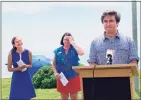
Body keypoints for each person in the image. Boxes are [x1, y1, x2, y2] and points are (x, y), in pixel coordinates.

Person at [52, 32, 84, 100]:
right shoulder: (57, 50)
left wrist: (73, 43)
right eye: (65, 39)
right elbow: (54, 63)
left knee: (74, 97)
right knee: (64, 97)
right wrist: (55, 73)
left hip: (74, 75)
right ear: (62, 40)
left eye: (69, 39)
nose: (67, 41)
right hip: (62, 76)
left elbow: (82, 53)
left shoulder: (74, 49)